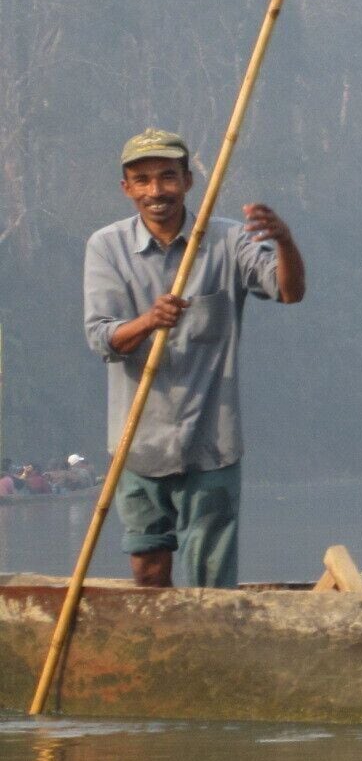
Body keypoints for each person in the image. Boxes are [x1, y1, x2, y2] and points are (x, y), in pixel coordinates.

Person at [83, 129, 305, 588]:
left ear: (188, 181)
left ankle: (213, 653)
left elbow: (288, 291)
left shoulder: (229, 240)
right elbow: (102, 337)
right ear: (127, 189)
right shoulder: (106, 247)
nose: (155, 191)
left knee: (210, 580)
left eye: (167, 177)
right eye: (142, 180)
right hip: (137, 439)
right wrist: (148, 322)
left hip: (211, 441)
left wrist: (284, 242)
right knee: (147, 564)